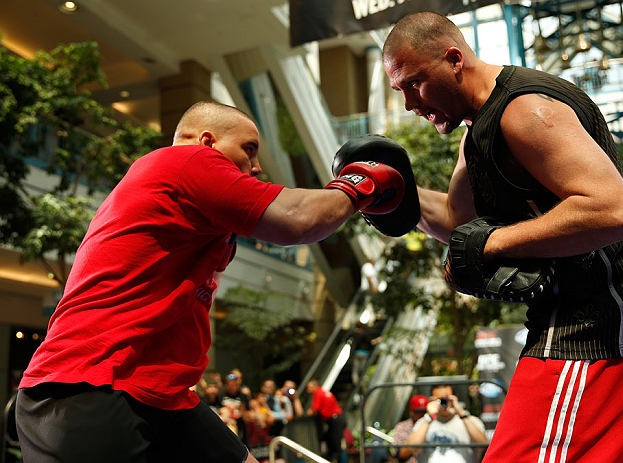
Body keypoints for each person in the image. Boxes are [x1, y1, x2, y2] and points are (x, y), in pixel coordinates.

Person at [14, 101, 408, 463]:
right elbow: (298, 219)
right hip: (93, 386)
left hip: (160, 392)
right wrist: (360, 185)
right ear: (207, 142)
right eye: (249, 149)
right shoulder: (185, 162)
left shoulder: (187, 205)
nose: (256, 167)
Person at [382, 11, 623, 463]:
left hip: (600, 325)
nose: (410, 103)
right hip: (578, 320)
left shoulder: (524, 110)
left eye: (414, 83)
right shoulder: (478, 132)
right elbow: (458, 220)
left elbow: (615, 211)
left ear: (454, 59)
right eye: (399, 90)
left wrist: (493, 244)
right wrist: (395, 194)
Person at [399, 385, 486, 463]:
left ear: (455, 398)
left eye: (447, 399)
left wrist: (462, 414)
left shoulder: (471, 420)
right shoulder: (424, 422)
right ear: (432, 400)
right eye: (439, 400)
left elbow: (484, 445)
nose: (444, 403)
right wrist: (429, 417)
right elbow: (407, 451)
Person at [306, 378, 346, 463]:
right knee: (330, 440)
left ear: (315, 386)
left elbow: (314, 410)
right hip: (336, 419)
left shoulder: (318, 393)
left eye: (309, 387)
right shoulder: (323, 392)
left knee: (335, 443)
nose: (308, 390)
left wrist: (309, 411)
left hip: (335, 419)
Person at [392, 394, 429, 463]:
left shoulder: (432, 425)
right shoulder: (402, 427)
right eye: (418, 412)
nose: (422, 415)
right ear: (411, 412)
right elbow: (401, 454)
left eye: (424, 412)